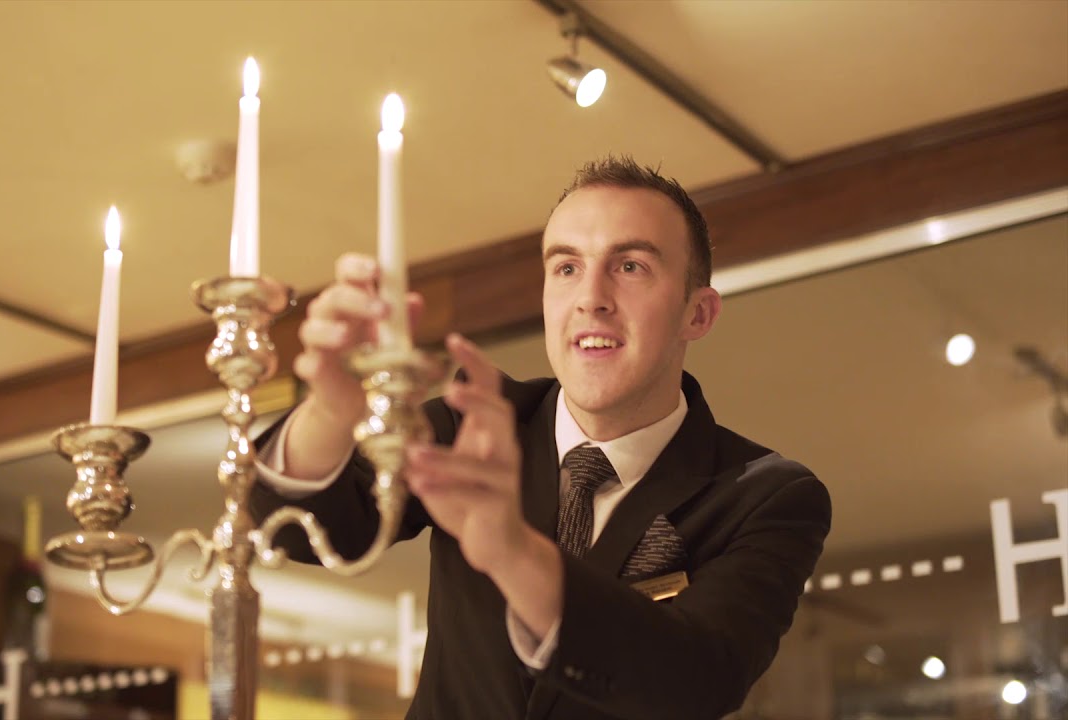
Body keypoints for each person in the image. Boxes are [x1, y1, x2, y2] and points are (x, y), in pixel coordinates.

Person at [249, 156, 831, 720]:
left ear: (697, 315)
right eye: (567, 268)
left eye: (630, 266)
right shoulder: (473, 425)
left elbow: (698, 679)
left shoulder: (765, 497)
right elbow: (299, 528)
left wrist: (512, 551)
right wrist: (330, 411)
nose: (591, 297)